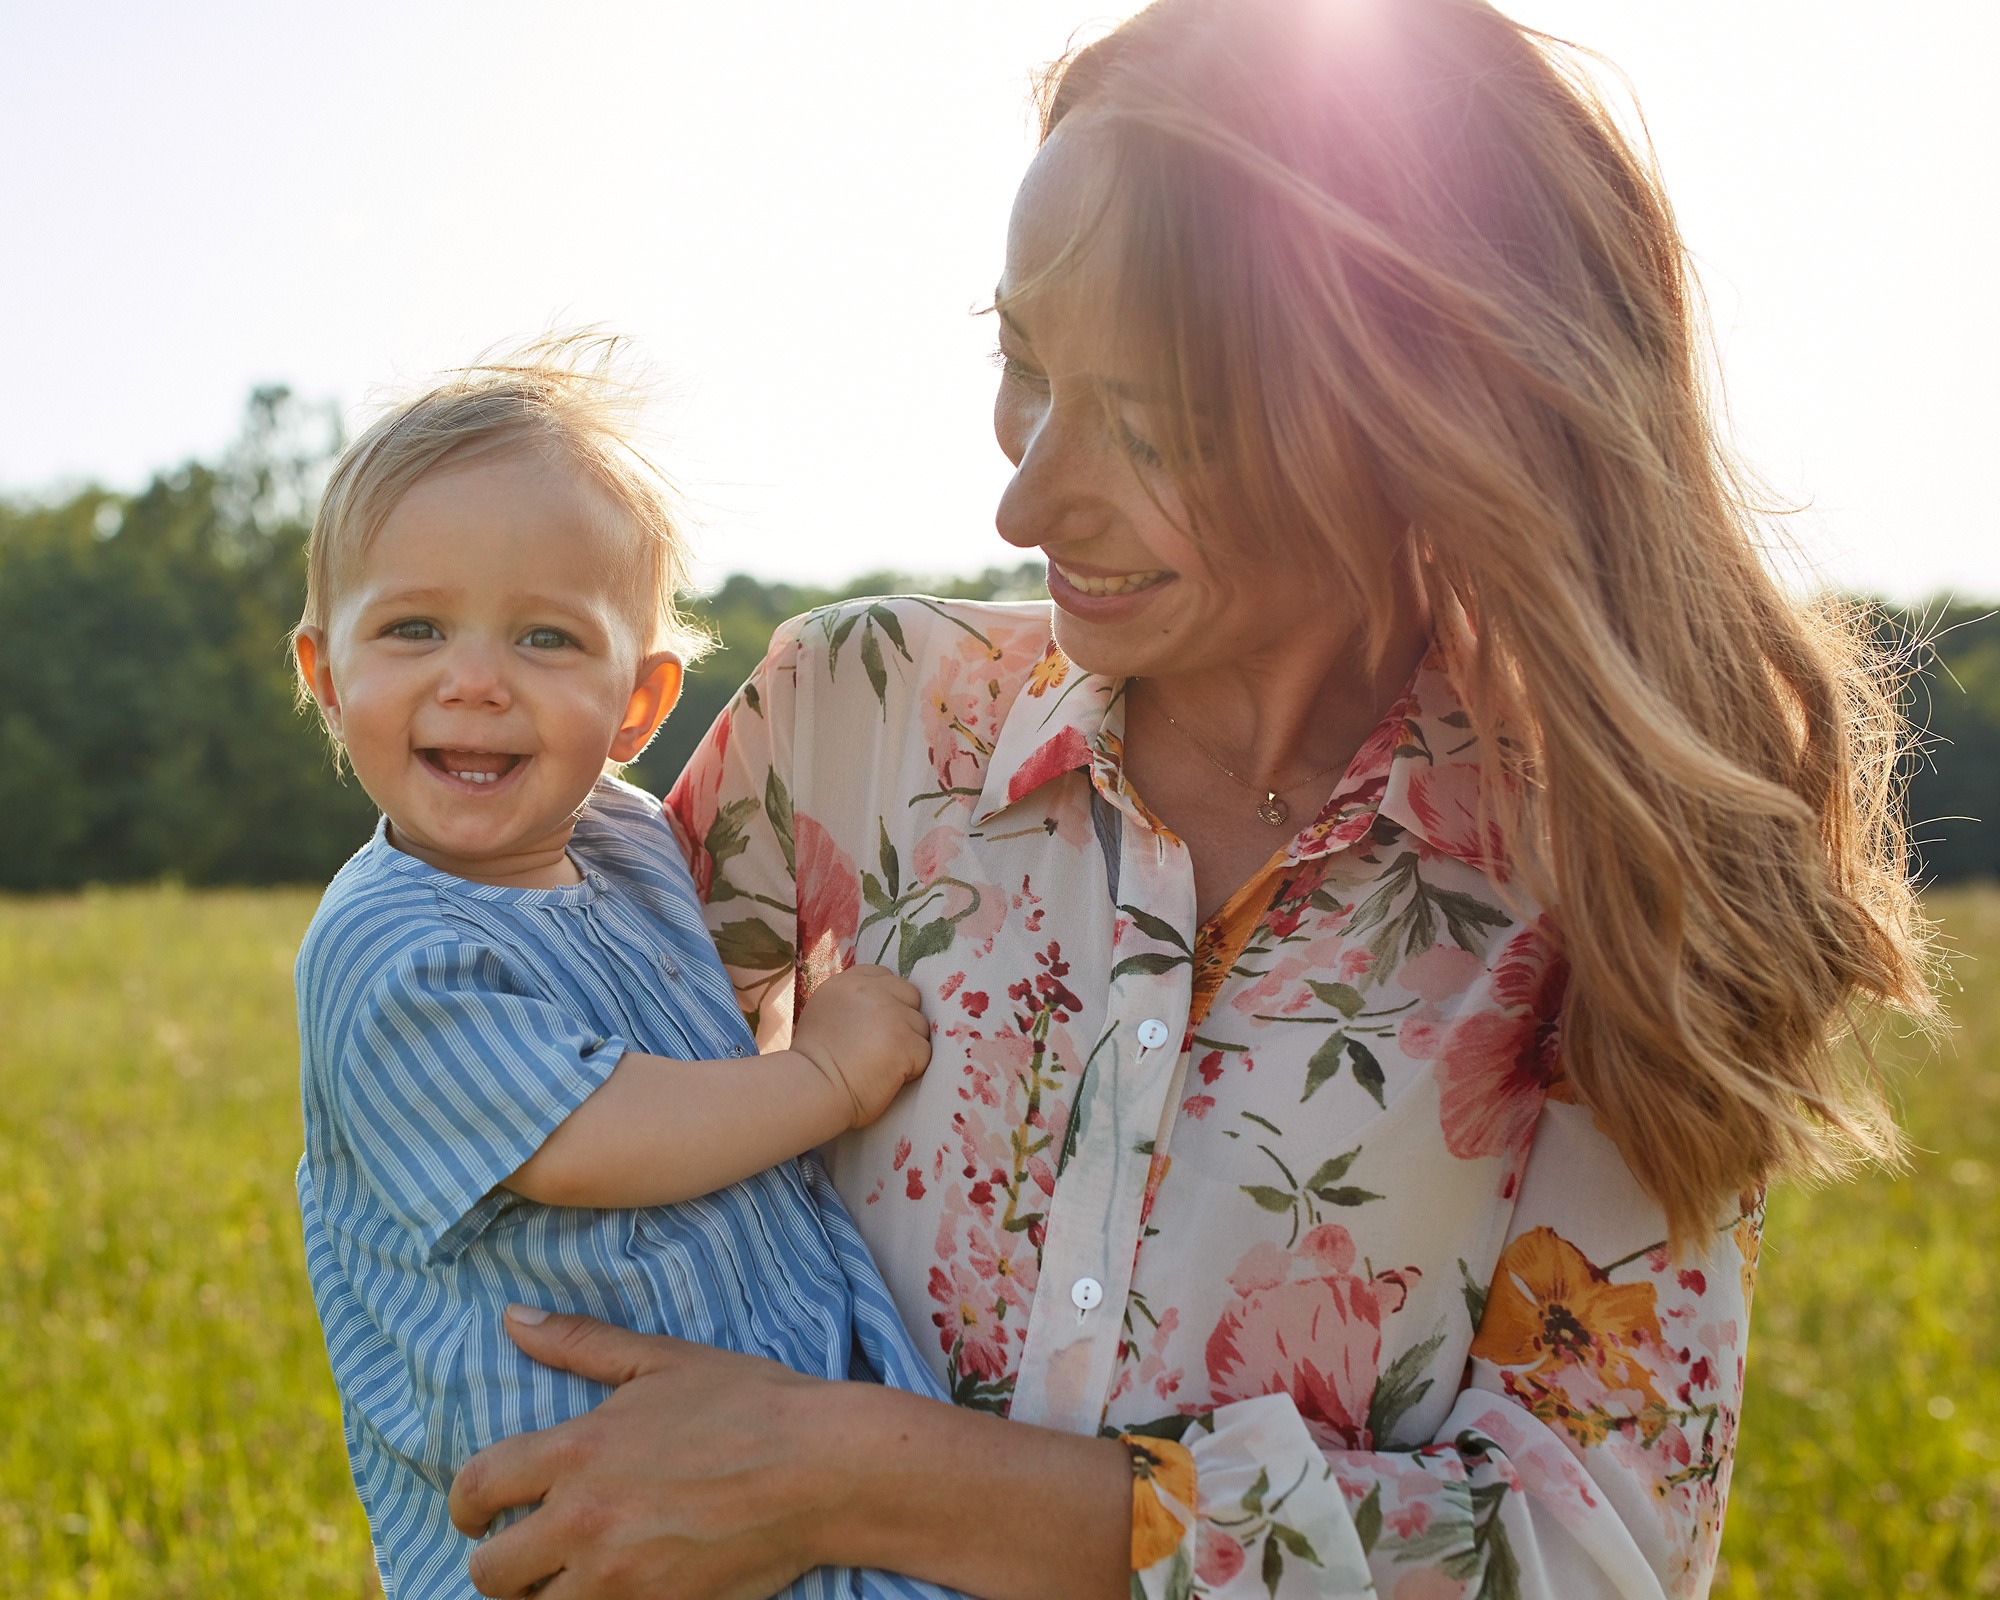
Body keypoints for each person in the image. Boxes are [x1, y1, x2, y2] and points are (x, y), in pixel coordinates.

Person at [445, 4, 1938, 1598]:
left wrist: (850, 1482)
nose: (1023, 497)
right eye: (1023, 364)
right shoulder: (852, 716)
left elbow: (1590, 1553)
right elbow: (510, 1138)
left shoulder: (1610, 893)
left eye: (1154, 426)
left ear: (1415, 415)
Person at [289, 339, 969, 1600]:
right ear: (328, 675)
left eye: (546, 637)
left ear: (639, 704)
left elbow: (706, 1008)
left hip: (757, 1450)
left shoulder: (620, 838)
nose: (476, 679)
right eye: (414, 626)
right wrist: (822, 1077)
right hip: (569, 1520)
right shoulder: (385, 947)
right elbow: (596, 1132)